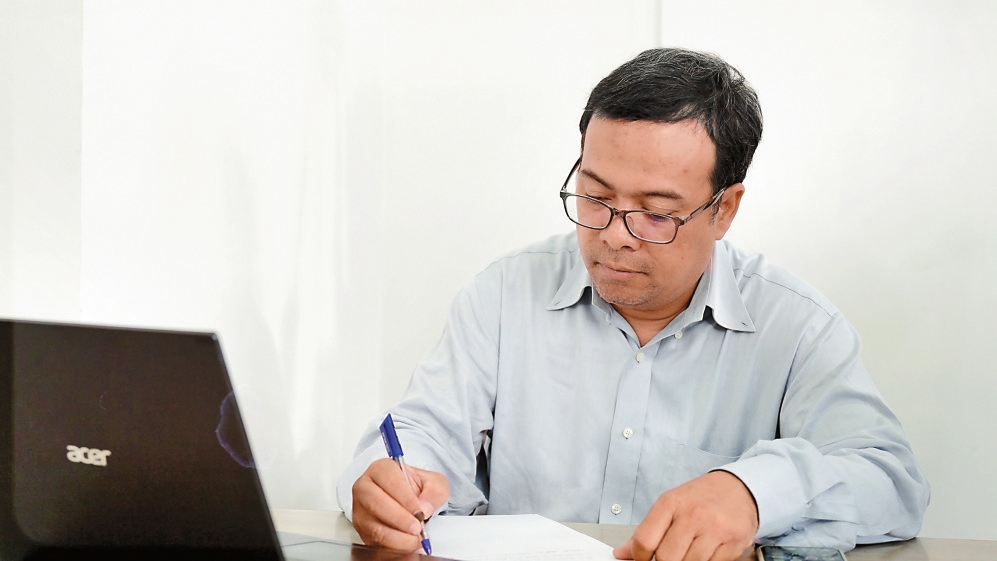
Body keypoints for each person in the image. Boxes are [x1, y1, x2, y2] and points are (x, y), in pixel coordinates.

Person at [336, 48, 930, 561]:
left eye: (656, 213)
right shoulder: (505, 293)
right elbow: (419, 433)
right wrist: (391, 484)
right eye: (595, 197)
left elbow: (892, 481)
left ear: (724, 209)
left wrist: (754, 493)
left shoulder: (795, 326)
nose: (615, 235)